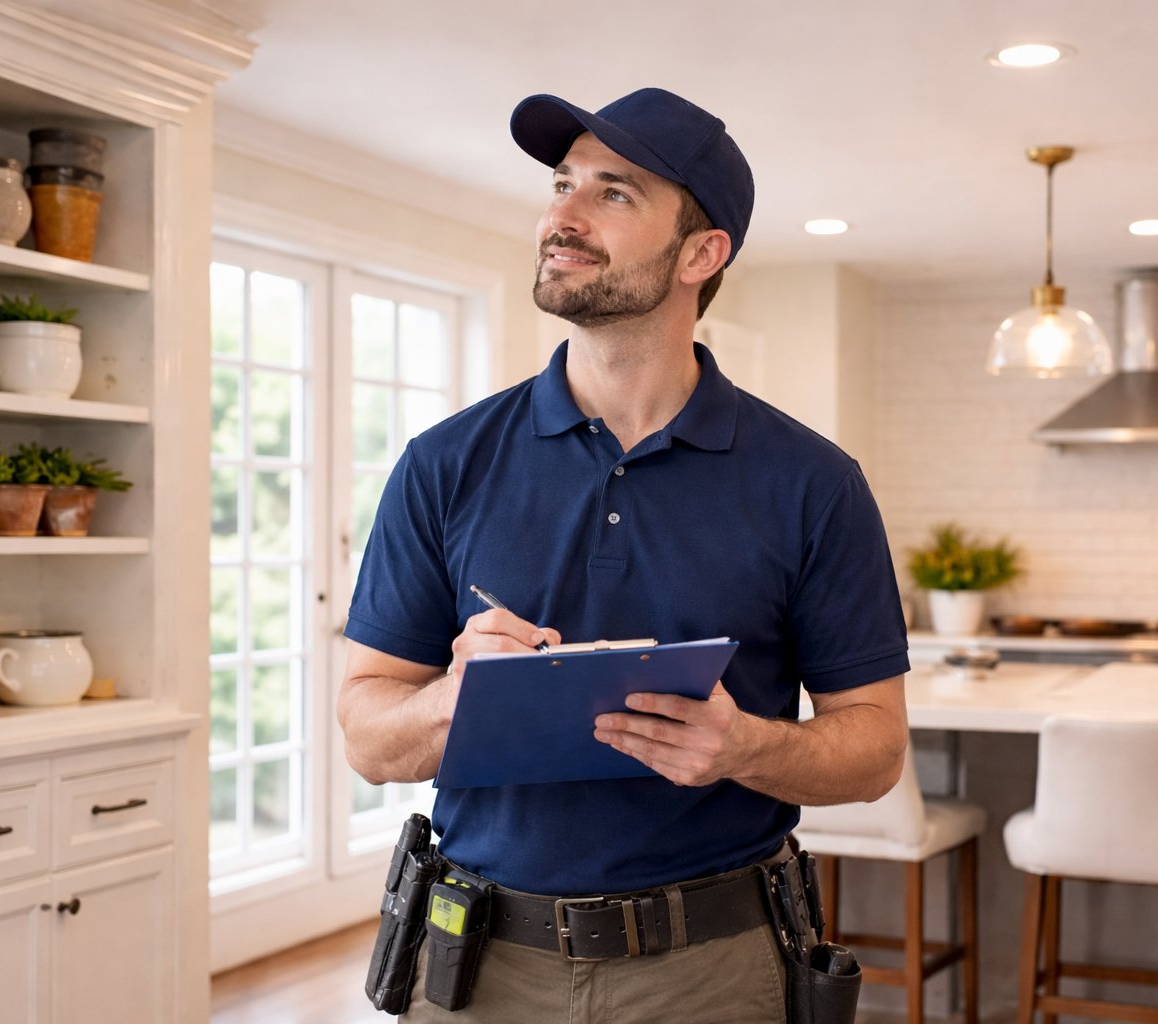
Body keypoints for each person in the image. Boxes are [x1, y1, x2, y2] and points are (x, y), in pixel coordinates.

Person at [338, 86, 910, 1022]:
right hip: (480, 971)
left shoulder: (815, 483)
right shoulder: (442, 464)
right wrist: (453, 698)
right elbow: (366, 734)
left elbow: (875, 746)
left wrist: (743, 748)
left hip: (716, 971)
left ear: (702, 252)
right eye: (561, 185)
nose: (561, 215)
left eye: (614, 193)